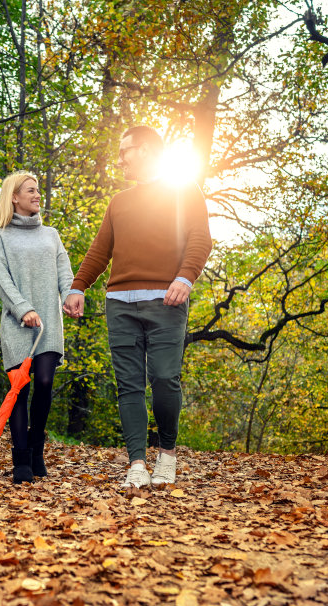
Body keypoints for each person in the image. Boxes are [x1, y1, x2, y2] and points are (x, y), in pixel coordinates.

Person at [64, 126, 212, 488]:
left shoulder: (184, 191)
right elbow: (100, 251)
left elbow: (200, 238)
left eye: (125, 150)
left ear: (145, 150)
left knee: (164, 378)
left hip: (166, 300)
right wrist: (78, 286)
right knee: (128, 385)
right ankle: (136, 464)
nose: (120, 158)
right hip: (120, 304)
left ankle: (167, 455)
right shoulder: (119, 202)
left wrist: (185, 278)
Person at [0, 171, 74, 484]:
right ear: (14, 197)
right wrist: (23, 309)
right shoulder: (0, 237)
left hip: (48, 325)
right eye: (31, 191)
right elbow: (1, 281)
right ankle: (21, 460)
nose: (38, 195)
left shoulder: (51, 234)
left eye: (38, 191)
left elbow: (65, 272)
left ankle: (37, 448)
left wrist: (71, 296)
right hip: (16, 326)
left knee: (46, 382)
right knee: (19, 391)